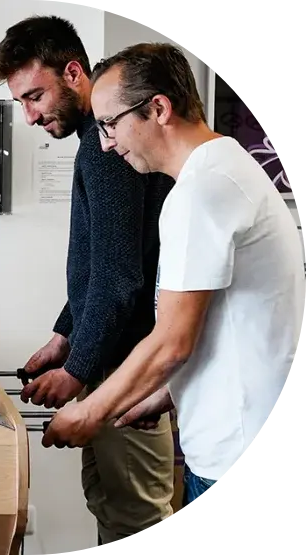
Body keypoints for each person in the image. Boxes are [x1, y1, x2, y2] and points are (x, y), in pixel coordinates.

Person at [43, 42, 304, 508]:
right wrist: (162, 394)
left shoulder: (200, 193)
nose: (106, 143)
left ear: (158, 108)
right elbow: (221, 320)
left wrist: (89, 410)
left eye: (110, 124)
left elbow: (172, 341)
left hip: (234, 450)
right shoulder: (223, 170)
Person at [0, 16, 176, 546]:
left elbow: (119, 279)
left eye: (34, 96)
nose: (28, 116)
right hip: (110, 358)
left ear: (73, 72)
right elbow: (100, 265)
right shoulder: (98, 139)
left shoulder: (107, 144)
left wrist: (76, 370)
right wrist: (64, 335)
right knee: (112, 510)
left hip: (127, 367)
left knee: (137, 522)